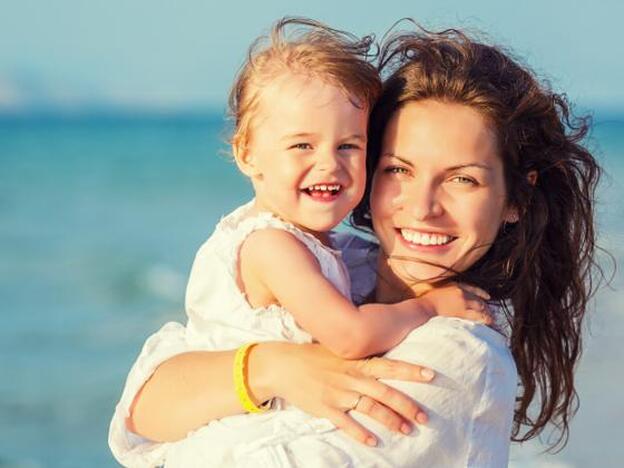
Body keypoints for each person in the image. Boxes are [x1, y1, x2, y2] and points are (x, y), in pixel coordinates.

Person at [109, 22, 600, 467]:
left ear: (515, 197)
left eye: (462, 180)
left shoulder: (459, 355)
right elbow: (141, 411)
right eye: (398, 170)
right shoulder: (343, 266)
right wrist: (272, 366)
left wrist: (236, 381)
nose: (424, 206)